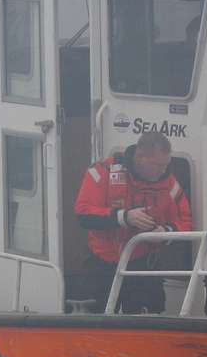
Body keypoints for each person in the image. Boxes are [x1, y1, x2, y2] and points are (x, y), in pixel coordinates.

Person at [74, 131, 192, 314]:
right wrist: (124, 217)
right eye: (159, 165)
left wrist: (164, 232)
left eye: (166, 165)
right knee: (97, 323)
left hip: (143, 265)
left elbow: (185, 221)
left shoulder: (169, 184)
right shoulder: (103, 172)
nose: (163, 170)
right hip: (102, 264)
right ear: (141, 157)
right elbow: (83, 214)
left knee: (150, 322)